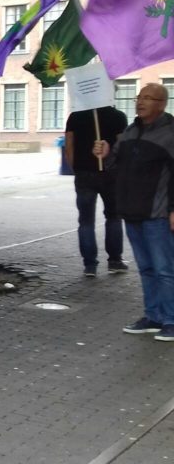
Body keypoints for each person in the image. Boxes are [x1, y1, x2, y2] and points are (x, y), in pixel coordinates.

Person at [93, 83, 174, 341]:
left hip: (157, 213)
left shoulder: (170, 133)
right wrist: (105, 154)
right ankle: (153, 316)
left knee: (165, 269)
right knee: (147, 268)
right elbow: (115, 164)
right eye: (139, 97)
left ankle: (171, 319)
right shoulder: (129, 131)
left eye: (147, 98)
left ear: (161, 104)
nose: (140, 102)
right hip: (131, 211)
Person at [65, 106, 128, 276]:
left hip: (84, 174)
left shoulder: (75, 116)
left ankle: (90, 265)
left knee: (86, 221)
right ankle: (115, 261)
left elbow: (69, 145)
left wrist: (76, 168)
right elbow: (123, 147)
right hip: (111, 174)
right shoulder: (118, 116)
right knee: (114, 217)